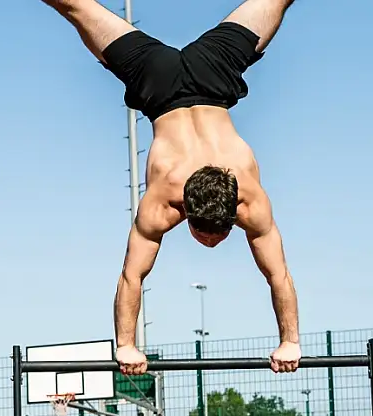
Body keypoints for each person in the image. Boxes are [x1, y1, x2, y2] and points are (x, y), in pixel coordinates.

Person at [38, 0, 302, 375]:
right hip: (186, 76)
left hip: (189, 72)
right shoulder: (168, 201)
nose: (210, 241)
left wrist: (291, 341)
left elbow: (279, 275)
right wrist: (125, 346)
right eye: (208, 234)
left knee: (78, 7)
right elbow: (133, 276)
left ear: (233, 215)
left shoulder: (237, 199)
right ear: (185, 212)